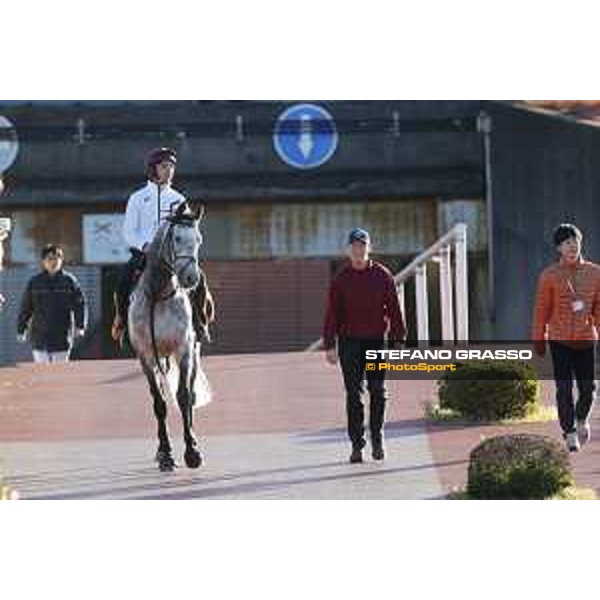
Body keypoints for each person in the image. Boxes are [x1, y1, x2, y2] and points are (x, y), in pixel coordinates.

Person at [111, 147, 214, 344]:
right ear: (153, 169)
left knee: (198, 278)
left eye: (172, 167)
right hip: (144, 254)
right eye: (164, 166)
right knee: (123, 280)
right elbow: (129, 232)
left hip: (172, 255)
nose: (169, 170)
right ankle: (122, 320)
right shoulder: (137, 198)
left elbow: (188, 228)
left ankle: (200, 324)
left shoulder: (178, 199)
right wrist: (145, 245)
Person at [323, 227, 406, 463]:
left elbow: (394, 310)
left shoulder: (382, 276)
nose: (359, 250)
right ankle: (357, 445)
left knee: (378, 390)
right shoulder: (340, 279)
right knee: (353, 394)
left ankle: (377, 439)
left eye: (362, 246)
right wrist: (330, 344)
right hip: (349, 342)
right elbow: (332, 314)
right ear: (348, 250)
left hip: (376, 341)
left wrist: (399, 339)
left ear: (369, 248)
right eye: (355, 246)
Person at [532, 223, 600, 452]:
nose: (572, 246)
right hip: (559, 339)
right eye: (566, 243)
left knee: (588, 388)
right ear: (558, 248)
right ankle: (569, 432)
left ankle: (581, 419)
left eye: (575, 241)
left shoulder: (595, 273)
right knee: (563, 388)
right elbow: (541, 309)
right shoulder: (549, 276)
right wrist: (538, 338)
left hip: (585, 339)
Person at [17, 244, 87, 363]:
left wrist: (80, 326)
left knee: (59, 374)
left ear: (61, 260)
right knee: (42, 373)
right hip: (40, 337)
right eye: (49, 258)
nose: (53, 262)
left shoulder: (69, 281)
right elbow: (26, 307)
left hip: (62, 336)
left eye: (56, 258)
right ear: (43, 262)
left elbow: (79, 304)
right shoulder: (35, 282)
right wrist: (21, 329)